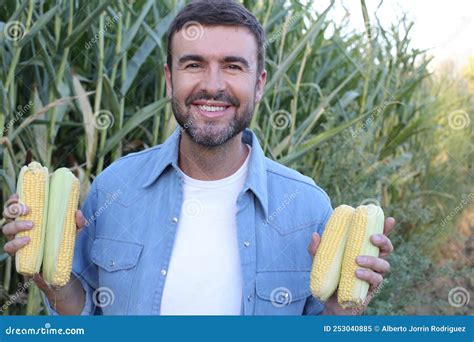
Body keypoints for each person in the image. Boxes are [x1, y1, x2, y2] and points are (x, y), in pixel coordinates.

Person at [2, 0, 394, 315]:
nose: (212, 85)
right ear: (170, 79)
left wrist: (340, 315)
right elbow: (84, 312)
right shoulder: (113, 188)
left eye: (232, 66)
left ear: (259, 84)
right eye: (193, 65)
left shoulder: (307, 207)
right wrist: (47, 276)